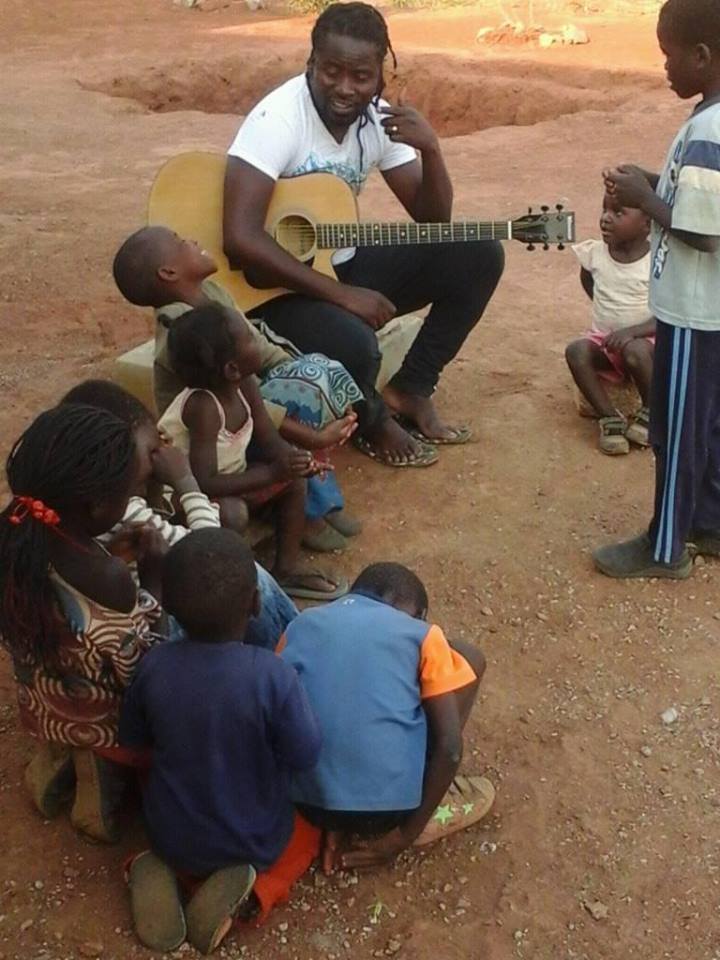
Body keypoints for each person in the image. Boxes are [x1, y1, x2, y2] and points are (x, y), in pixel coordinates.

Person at [223, 2, 504, 467]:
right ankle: (372, 422)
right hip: (271, 290)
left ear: (380, 76)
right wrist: (342, 295)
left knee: (477, 253)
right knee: (355, 341)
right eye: (331, 71)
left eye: (361, 76)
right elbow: (240, 237)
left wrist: (431, 150)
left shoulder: (377, 119)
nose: (344, 88)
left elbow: (432, 223)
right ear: (311, 63)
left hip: (336, 262)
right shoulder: (278, 120)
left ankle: (412, 387)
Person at [119, 528, 322, 955]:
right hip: (256, 841)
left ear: (169, 606)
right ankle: (256, 892)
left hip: (170, 835)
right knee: (307, 834)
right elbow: (305, 754)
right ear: (254, 603)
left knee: (162, 780)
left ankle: (159, 867)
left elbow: (135, 743)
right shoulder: (273, 674)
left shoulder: (153, 666)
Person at [112, 225, 362, 551]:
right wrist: (311, 429)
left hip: (243, 405)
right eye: (180, 241)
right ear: (169, 272)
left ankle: (316, 498)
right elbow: (243, 398)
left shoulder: (214, 295)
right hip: (218, 429)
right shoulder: (178, 330)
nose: (192, 238)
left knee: (312, 374)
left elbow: (260, 346)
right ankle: (310, 514)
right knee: (299, 397)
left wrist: (297, 369)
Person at [594, 0, 720, 579]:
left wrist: (645, 201)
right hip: (707, 312)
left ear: (701, 55)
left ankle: (665, 547)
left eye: (670, 57)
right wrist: (649, 179)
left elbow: (705, 231)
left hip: (694, 313)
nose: (665, 68)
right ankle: (710, 525)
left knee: (674, 430)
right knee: (707, 427)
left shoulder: (707, 130)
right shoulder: (710, 120)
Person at [0, 403, 166, 842]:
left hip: (44, 702)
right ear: (95, 506)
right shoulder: (110, 579)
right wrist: (153, 579)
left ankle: (58, 756)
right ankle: (100, 787)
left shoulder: (17, 533)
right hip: (103, 719)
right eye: (127, 493)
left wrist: (112, 558)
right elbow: (142, 664)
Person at [279, 562, 495, 872]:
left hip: (307, 803)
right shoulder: (422, 633)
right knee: (468, 657)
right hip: (390, 812)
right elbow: (450, 748)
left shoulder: (301, 624)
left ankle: (337, 812)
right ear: (418, 613)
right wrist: (402, 838)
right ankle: (431, 810)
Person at [61, 379, 299, 650]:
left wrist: (153, 485)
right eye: (153, 450)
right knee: (245, 573)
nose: (161, 452)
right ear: (115, 455)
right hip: (147, 632)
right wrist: (186, 482)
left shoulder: (73, 500)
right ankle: (294, 652)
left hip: (123, 616)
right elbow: (213, 554)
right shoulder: (123, 509)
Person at [158, 303, 348, 601]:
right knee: (233, 513)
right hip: (184, 498)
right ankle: (233, 586)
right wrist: (272, 473)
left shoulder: (244, 384)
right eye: (249, 336)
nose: (256, 337)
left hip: (228, 481)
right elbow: (203, 482)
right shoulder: (204, 407)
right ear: (231, 367)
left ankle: (285, 572)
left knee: (294, 482)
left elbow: (269, 439)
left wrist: (296, 461)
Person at [566, 191, 654, 455]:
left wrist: (632, 332)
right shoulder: (595, 253)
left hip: (647, 345)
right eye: (604, 210)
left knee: (635, 351)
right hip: (606, 342)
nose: (605, 218)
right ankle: (609, 418)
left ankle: (652, 412)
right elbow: (588, 281)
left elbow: (667, 316)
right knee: (576, 351)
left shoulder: (655, 261)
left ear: (647, 224)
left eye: (618, 213)